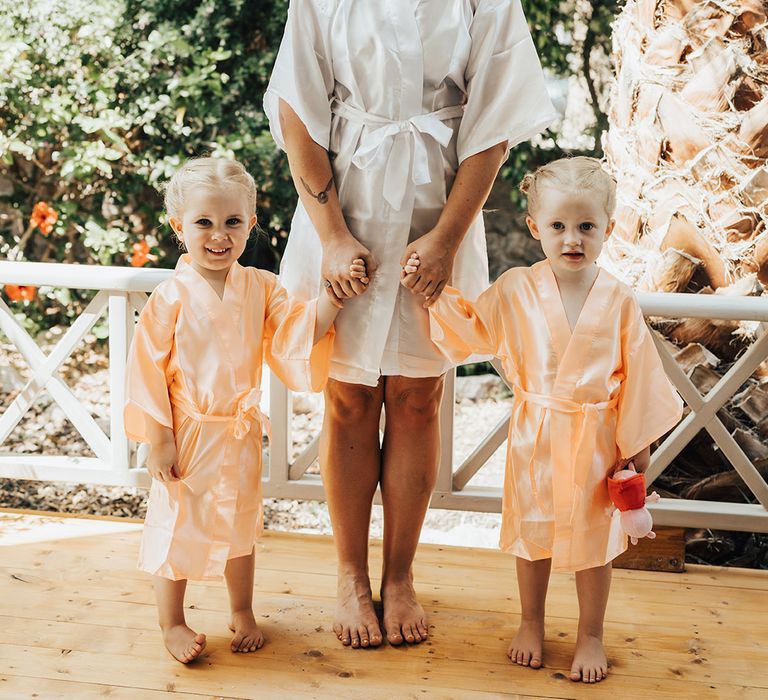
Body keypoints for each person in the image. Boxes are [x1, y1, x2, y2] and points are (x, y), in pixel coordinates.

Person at [264, 0, 558, 649]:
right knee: (347, 396)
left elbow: (494, 124)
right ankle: (349, 576)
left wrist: (449, 238)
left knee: (419, 396)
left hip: (440, 208)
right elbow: (296, 109)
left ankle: (398, 577)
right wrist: (335, 236)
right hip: (345, 206)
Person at [403, 156, 683, 682]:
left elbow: (641, 375)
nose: (571, 238)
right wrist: (431, 293)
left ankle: (591, 635)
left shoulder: (619, 300)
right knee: (533, 533)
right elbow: (472, 328)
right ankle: (530, 622)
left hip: (597, 439)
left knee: (596, 542)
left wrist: (635, 450)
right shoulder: (516, 289)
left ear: (609, 228)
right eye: (557, 226)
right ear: (535, 227)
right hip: (535, 434)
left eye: (586, 226)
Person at [124, 157, 356, 664]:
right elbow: (146, 371)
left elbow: (295, 334)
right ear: (178, 226)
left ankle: (242, 609)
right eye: (203, 223)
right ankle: (173, 622)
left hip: (239, 430)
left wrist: (332, 302)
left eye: (232, 223)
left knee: (241, 522)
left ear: (250, 225)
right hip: (187, 429)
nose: (218, 236)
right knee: (177, 524)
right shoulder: (169, 297)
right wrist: (159, 438)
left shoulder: (262, 287)